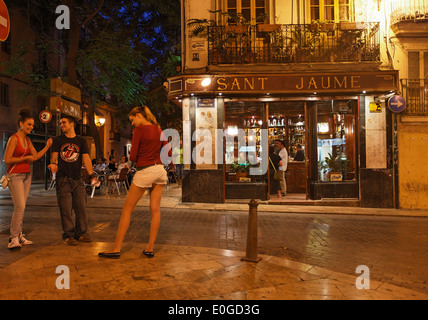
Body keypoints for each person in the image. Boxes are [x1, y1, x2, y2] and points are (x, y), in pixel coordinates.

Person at [98, 106, 171, 259]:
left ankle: (116, 248)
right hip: (159, 171)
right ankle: (150, 248)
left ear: (139, 115)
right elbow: (169, 153)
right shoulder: (159, 130)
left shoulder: (139, 130)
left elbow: (133, 156)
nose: (132, 123)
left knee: (127, 210)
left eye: (132, 120)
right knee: (155, 210)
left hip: (145, 171)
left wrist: (142, 156)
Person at [3, 110, 53, 249]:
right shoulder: (14, 139)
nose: (31, 127)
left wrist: (47, 147)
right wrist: (24, 158)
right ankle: (13, 238)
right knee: (20, 206)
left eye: (32, 125)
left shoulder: (27, 140)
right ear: (21, 124)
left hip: (26, 175)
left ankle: (19, 235)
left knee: (22, 208)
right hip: (15, 176)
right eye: (29, 124)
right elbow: (7, 160)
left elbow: (36, 156)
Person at [48, 115, 99, 246]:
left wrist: (92, 174)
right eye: (60, 123)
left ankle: (81, 233)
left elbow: (86, 159)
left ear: (72, 124)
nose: (61, 125)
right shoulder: (58, 140)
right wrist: (53, 164)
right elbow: (54, 157)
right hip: (63, 179)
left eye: (64, 122)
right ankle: (68, 235)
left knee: (81, 207)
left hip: (78, 179)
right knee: (65, 209)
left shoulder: (81, 141)